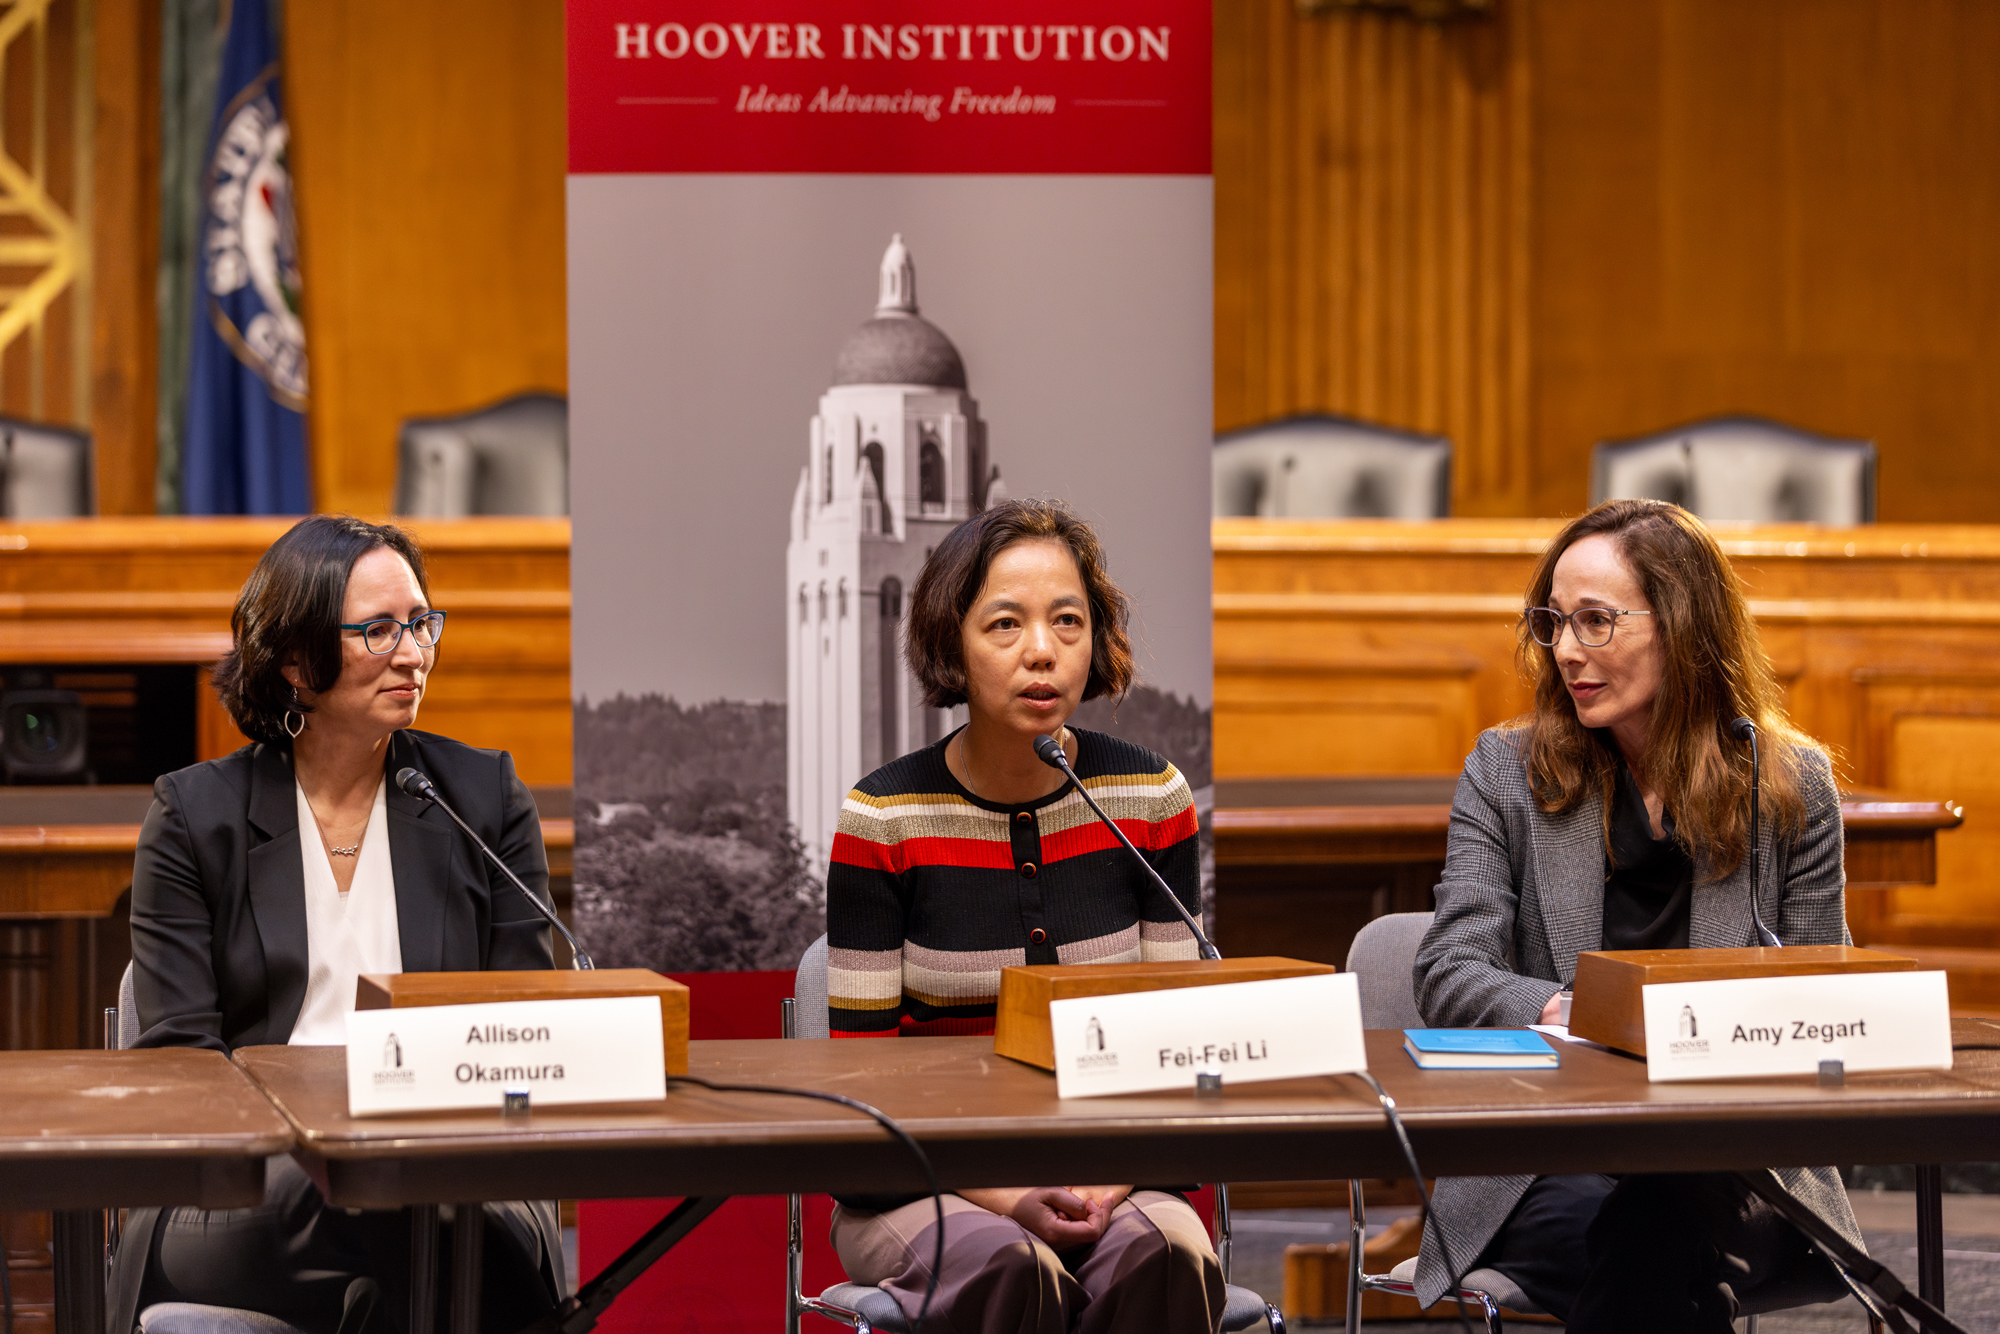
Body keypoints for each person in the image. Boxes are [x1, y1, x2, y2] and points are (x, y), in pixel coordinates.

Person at [1410, 499, 1861, 1331]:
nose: (1569, 651)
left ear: (1684, 628)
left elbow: (1824, 1000)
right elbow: (1449, 967)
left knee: (1666, 1211)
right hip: (1555, 1157)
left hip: (1737, 1159)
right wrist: (1567, 1014)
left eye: (1596, 621)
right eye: (1554, 622)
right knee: (1664, 1249)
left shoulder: (1789, 787)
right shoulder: (1505, 772)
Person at [110, 515, 564, 1334]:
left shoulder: (481, 797)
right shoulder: (195, 815)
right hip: (244, 1191)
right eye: (380, 629)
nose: (414, 653)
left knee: (412, 1205)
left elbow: (518, 1024)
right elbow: (181, 1064)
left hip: (458, 1165)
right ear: (294, 658)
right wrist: (326, 1140)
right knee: (386, 1196)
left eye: (423, 623)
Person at [825, 499, 1225, 1334]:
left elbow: (1173, 1046)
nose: (1042, 651)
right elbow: (864, 1089)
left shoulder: (1148, 799)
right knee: (1013, 1264)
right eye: (1005, 624)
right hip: (924, 1182)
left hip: (1114, 1171)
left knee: (1170, 1252)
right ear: (952, 644)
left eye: (1068, 622)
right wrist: (1010, 1198)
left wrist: (1105, 1186)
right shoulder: (884, 819)